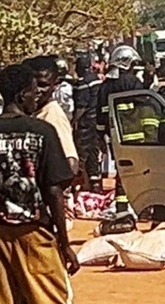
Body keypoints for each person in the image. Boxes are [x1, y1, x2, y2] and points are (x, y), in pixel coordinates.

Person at [0, 64, 79, 303]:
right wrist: (64, 244)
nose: (37, 97)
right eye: (34, 91)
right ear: (22, 94)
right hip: (34, 234)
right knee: (49, 296)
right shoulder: (41, 131)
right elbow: (54, 191)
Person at [96, 45, 144, 231]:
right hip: (137, 138)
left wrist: (101, 136)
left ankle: (122, 209)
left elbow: (100, 114)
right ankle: (141, 206)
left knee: (122, 174)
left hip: (115, 138)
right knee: (141, 174)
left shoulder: (105, 86)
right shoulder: (133, 82)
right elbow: (143, 107)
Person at [22, 56, 80, 177]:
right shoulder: (35, 113)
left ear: (55, 85)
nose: (37, 90)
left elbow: (71, 165)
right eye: (33, 84)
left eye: (43, 85)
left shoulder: (53, 116)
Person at [72, 57, 103, 193]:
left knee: (81, 152)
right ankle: (95, 182)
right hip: (97, 120)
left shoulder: (83, 84)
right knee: (93, 151)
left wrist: (73, 122)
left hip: (86, 122)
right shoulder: (97, 80)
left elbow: (81, 106)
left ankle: (75, 182)